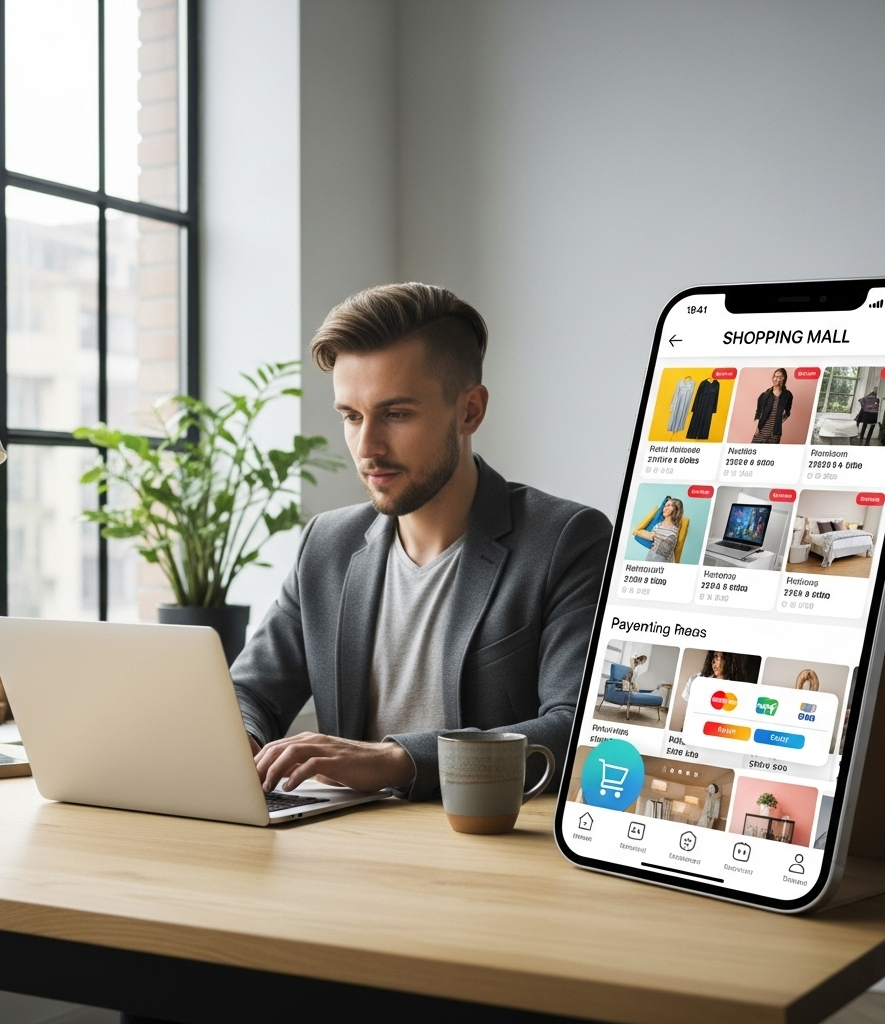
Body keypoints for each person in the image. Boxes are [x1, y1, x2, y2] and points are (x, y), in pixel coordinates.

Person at [231, 283, 612, 801]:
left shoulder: (565, 541)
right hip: (340, 847)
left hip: (486, 852)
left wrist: (397, 760)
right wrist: (241, 742)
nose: (367, 447)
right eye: (351, 416)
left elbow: (576, 731)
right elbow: (249, 691)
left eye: (396, 414)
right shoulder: (327, 544)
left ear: (470, 411)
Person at [633, 497, 683, 563]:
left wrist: (640, 533)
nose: (665, 508)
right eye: (665, 506)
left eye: (669, 505)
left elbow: (657, 538)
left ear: (676, 508)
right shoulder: (657, 526)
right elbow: (652, 538)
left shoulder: (673, 532)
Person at [751, 368, 793, 444]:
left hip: (775, 433)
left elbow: (787, 412)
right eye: (775, 376)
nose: (777, 379)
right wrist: (757, 426)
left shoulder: (787, 395)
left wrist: (779, 422)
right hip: (761, 430)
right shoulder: (764, 395)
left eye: (780, 377)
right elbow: (758, 413)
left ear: (784, 379)